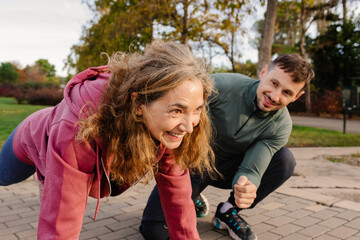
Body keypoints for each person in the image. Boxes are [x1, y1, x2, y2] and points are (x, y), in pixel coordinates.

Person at [0, 40, 216, 239]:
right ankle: (46, 173)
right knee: (3, 176)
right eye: (177, 111)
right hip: (31, 138)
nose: (189, 126)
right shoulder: (76, 133)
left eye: (197, 110)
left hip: (59, 137)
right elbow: (60, 227)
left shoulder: (168, 129)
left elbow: (179, 201)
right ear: (139, 104)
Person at [140, 54, 315, 240]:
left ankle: (228, 211)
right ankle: (192, 195)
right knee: (154, 230)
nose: (275, 96)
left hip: (228, 170)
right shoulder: (222, 85)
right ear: (263, 72)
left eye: (287, 93)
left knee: (285, 160)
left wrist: (246, 187)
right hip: (191, 163)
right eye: (274, 83)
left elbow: (252, 168)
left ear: (297, 96)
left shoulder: (281, 126)